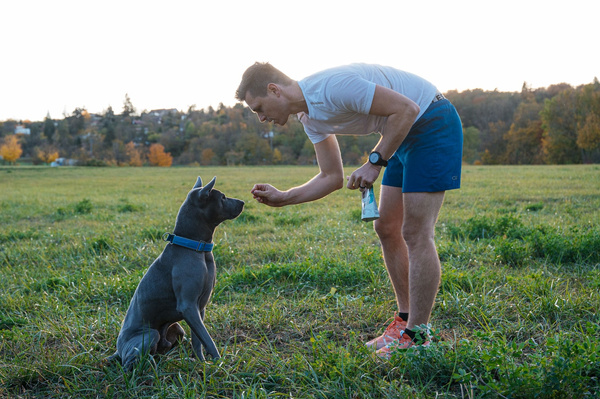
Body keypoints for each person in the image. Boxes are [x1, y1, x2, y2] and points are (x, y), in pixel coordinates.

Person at [235, 62, 463, 358]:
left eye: (259, 108)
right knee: (386, 228)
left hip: (430, 121)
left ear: (274, 89)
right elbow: (331, 177)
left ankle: (418, 337)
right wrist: (284, 197)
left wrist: (375, 162)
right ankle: (404, 323)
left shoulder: (331, 87)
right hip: (401, 133)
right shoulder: (309, 118)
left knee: (416, 232)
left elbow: (406, 109)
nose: (262, 117)